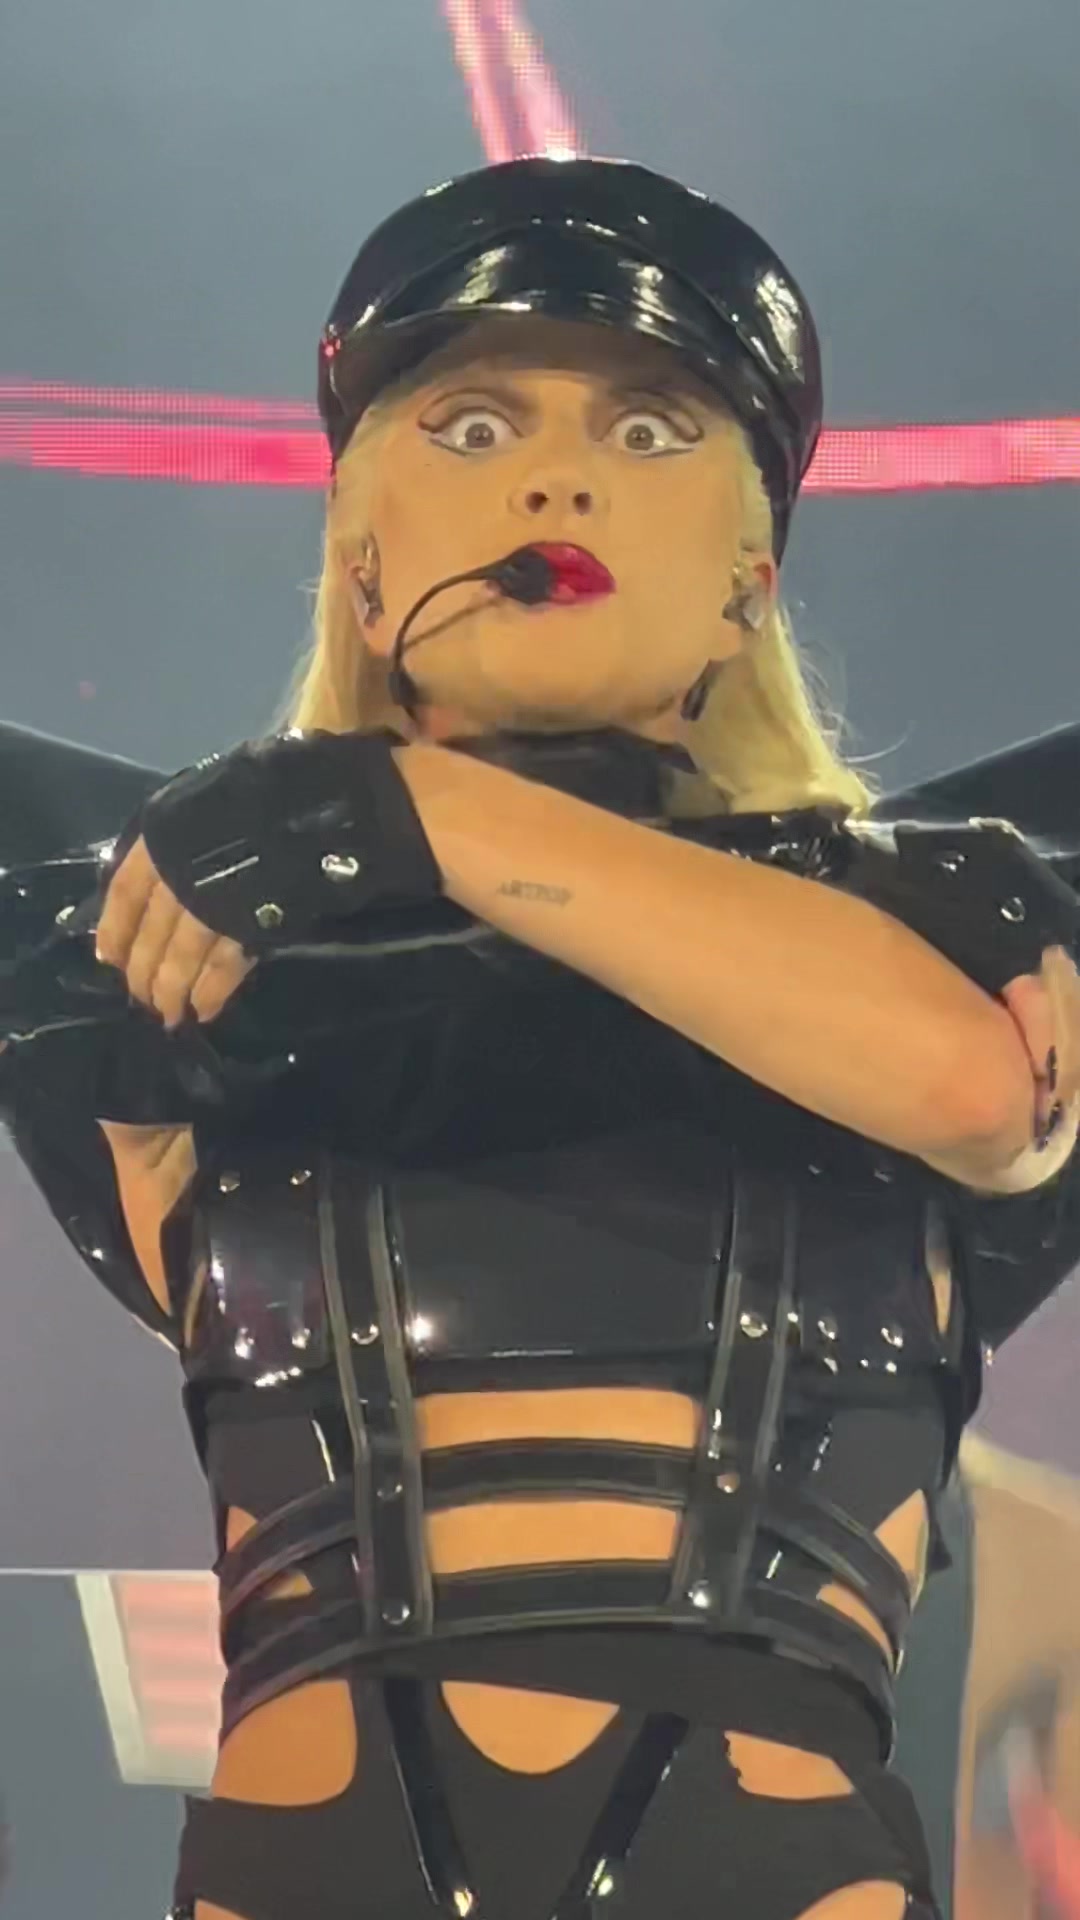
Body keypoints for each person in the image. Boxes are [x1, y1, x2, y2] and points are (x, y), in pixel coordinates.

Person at [3, 156, 1080, 1920]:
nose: (559, 477)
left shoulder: (959, 912)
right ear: (363, 562)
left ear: (750, 579)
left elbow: (967, 1094)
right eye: (474, 425)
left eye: (651, 430)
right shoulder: (147, 941)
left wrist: (401, 807)